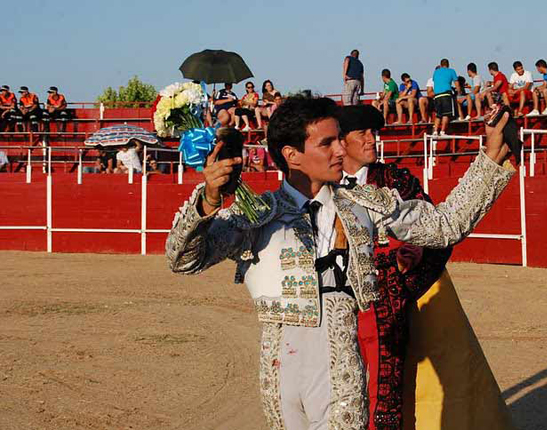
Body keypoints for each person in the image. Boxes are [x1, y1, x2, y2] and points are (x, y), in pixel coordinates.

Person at [166, 95, 515, 430]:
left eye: (339, 140)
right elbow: (183, 260)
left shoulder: (363, 204)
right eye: (327, 143)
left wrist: (491, 155)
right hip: (278, 366)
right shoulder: (259, 216)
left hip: (341, 358)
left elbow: (444, 226)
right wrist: (208, 201)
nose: (340, 150)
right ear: (292, 155)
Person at [339, 104, 517, 430]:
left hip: (391, 312)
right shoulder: (321, 192)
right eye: (361, 133)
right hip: (339, 317)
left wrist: (411, 266)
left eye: (373, 132)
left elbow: (439, 231)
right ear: (341, 142)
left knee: (388, 402)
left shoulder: (394, 181)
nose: (371, 140)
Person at [432, 59, 461, 136]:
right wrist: (459, 92)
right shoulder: (451, 71)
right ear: (448, 65)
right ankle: (442, 131)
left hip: (437, 95)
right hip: (446, 95)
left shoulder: (436, 72)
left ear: (440, 65)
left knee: (438, 115)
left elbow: (436, 81)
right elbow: (456, 83)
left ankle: (435, 131)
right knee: (446, 114)